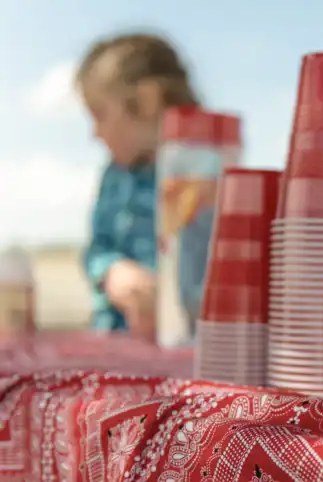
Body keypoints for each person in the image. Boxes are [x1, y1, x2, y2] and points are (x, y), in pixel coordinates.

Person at [77, 32, 200, 343]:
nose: (94, 133)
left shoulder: (205, 172)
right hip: (116, 337)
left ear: (147, 100)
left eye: (100, 114)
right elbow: (97, 248)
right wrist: (112, 272)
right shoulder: (114, 176)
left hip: (187, 344)